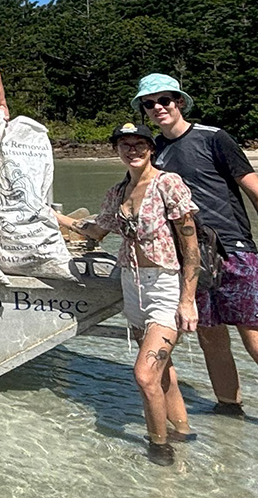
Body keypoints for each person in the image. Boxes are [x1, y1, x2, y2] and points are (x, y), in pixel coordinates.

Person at [135, 72, 258, 450]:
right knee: (211, 342)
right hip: (194, 262)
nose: (158, 108)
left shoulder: (213, 138)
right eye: (149, 103)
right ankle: (229, 412)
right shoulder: (157, 151)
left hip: (236, 254)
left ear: (180, 102)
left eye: (165, 100)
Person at [57, 124, 200, 465]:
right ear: (117, 150)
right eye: (125, 144)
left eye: (139, 144)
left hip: (165, 284)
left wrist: (188, 299)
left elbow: (191, 246)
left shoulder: (168, 184)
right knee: (163, 371)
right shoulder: (117, 193)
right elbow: (96, 232)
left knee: (144, 373)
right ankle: (183, 432)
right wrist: (54, 215)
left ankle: (159, 448)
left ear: (151, 148)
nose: (132, 150)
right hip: (132, 286)